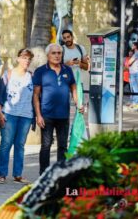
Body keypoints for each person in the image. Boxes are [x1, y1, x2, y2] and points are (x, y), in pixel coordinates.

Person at [33, 43, 84, 175]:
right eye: (53, 53)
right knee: (46, 146)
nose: (57, 55)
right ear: (48, 55)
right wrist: (38, 115)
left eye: (59, 53)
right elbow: (36, 95)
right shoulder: (41, 71)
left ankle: (61, 174)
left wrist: (79, 103)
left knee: (62, 146)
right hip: (47, 116)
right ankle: (44, 174)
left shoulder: (67, 70)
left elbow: (73, 87)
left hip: (63, 116)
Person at [0, 49, 34, 184]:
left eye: (29, 59)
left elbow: (36, 97)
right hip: (9, 114)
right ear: (17, 59)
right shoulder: (8, 74)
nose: (26, 61)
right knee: (6, 144)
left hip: (26, 116)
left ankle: (18, 174)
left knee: (20, 145)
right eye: (24, 57)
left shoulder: (32, 76)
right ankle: (2, 174)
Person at [128, 42, 138, 109]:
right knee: (135, 88)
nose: (132, 46)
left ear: (135, 46)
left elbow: (129, 63)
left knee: (135, 89)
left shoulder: (136, 53)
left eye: (133, 45)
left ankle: (136, 102)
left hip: (134, 73)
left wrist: (129, 62)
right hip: (137, 72)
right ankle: (134, 102)